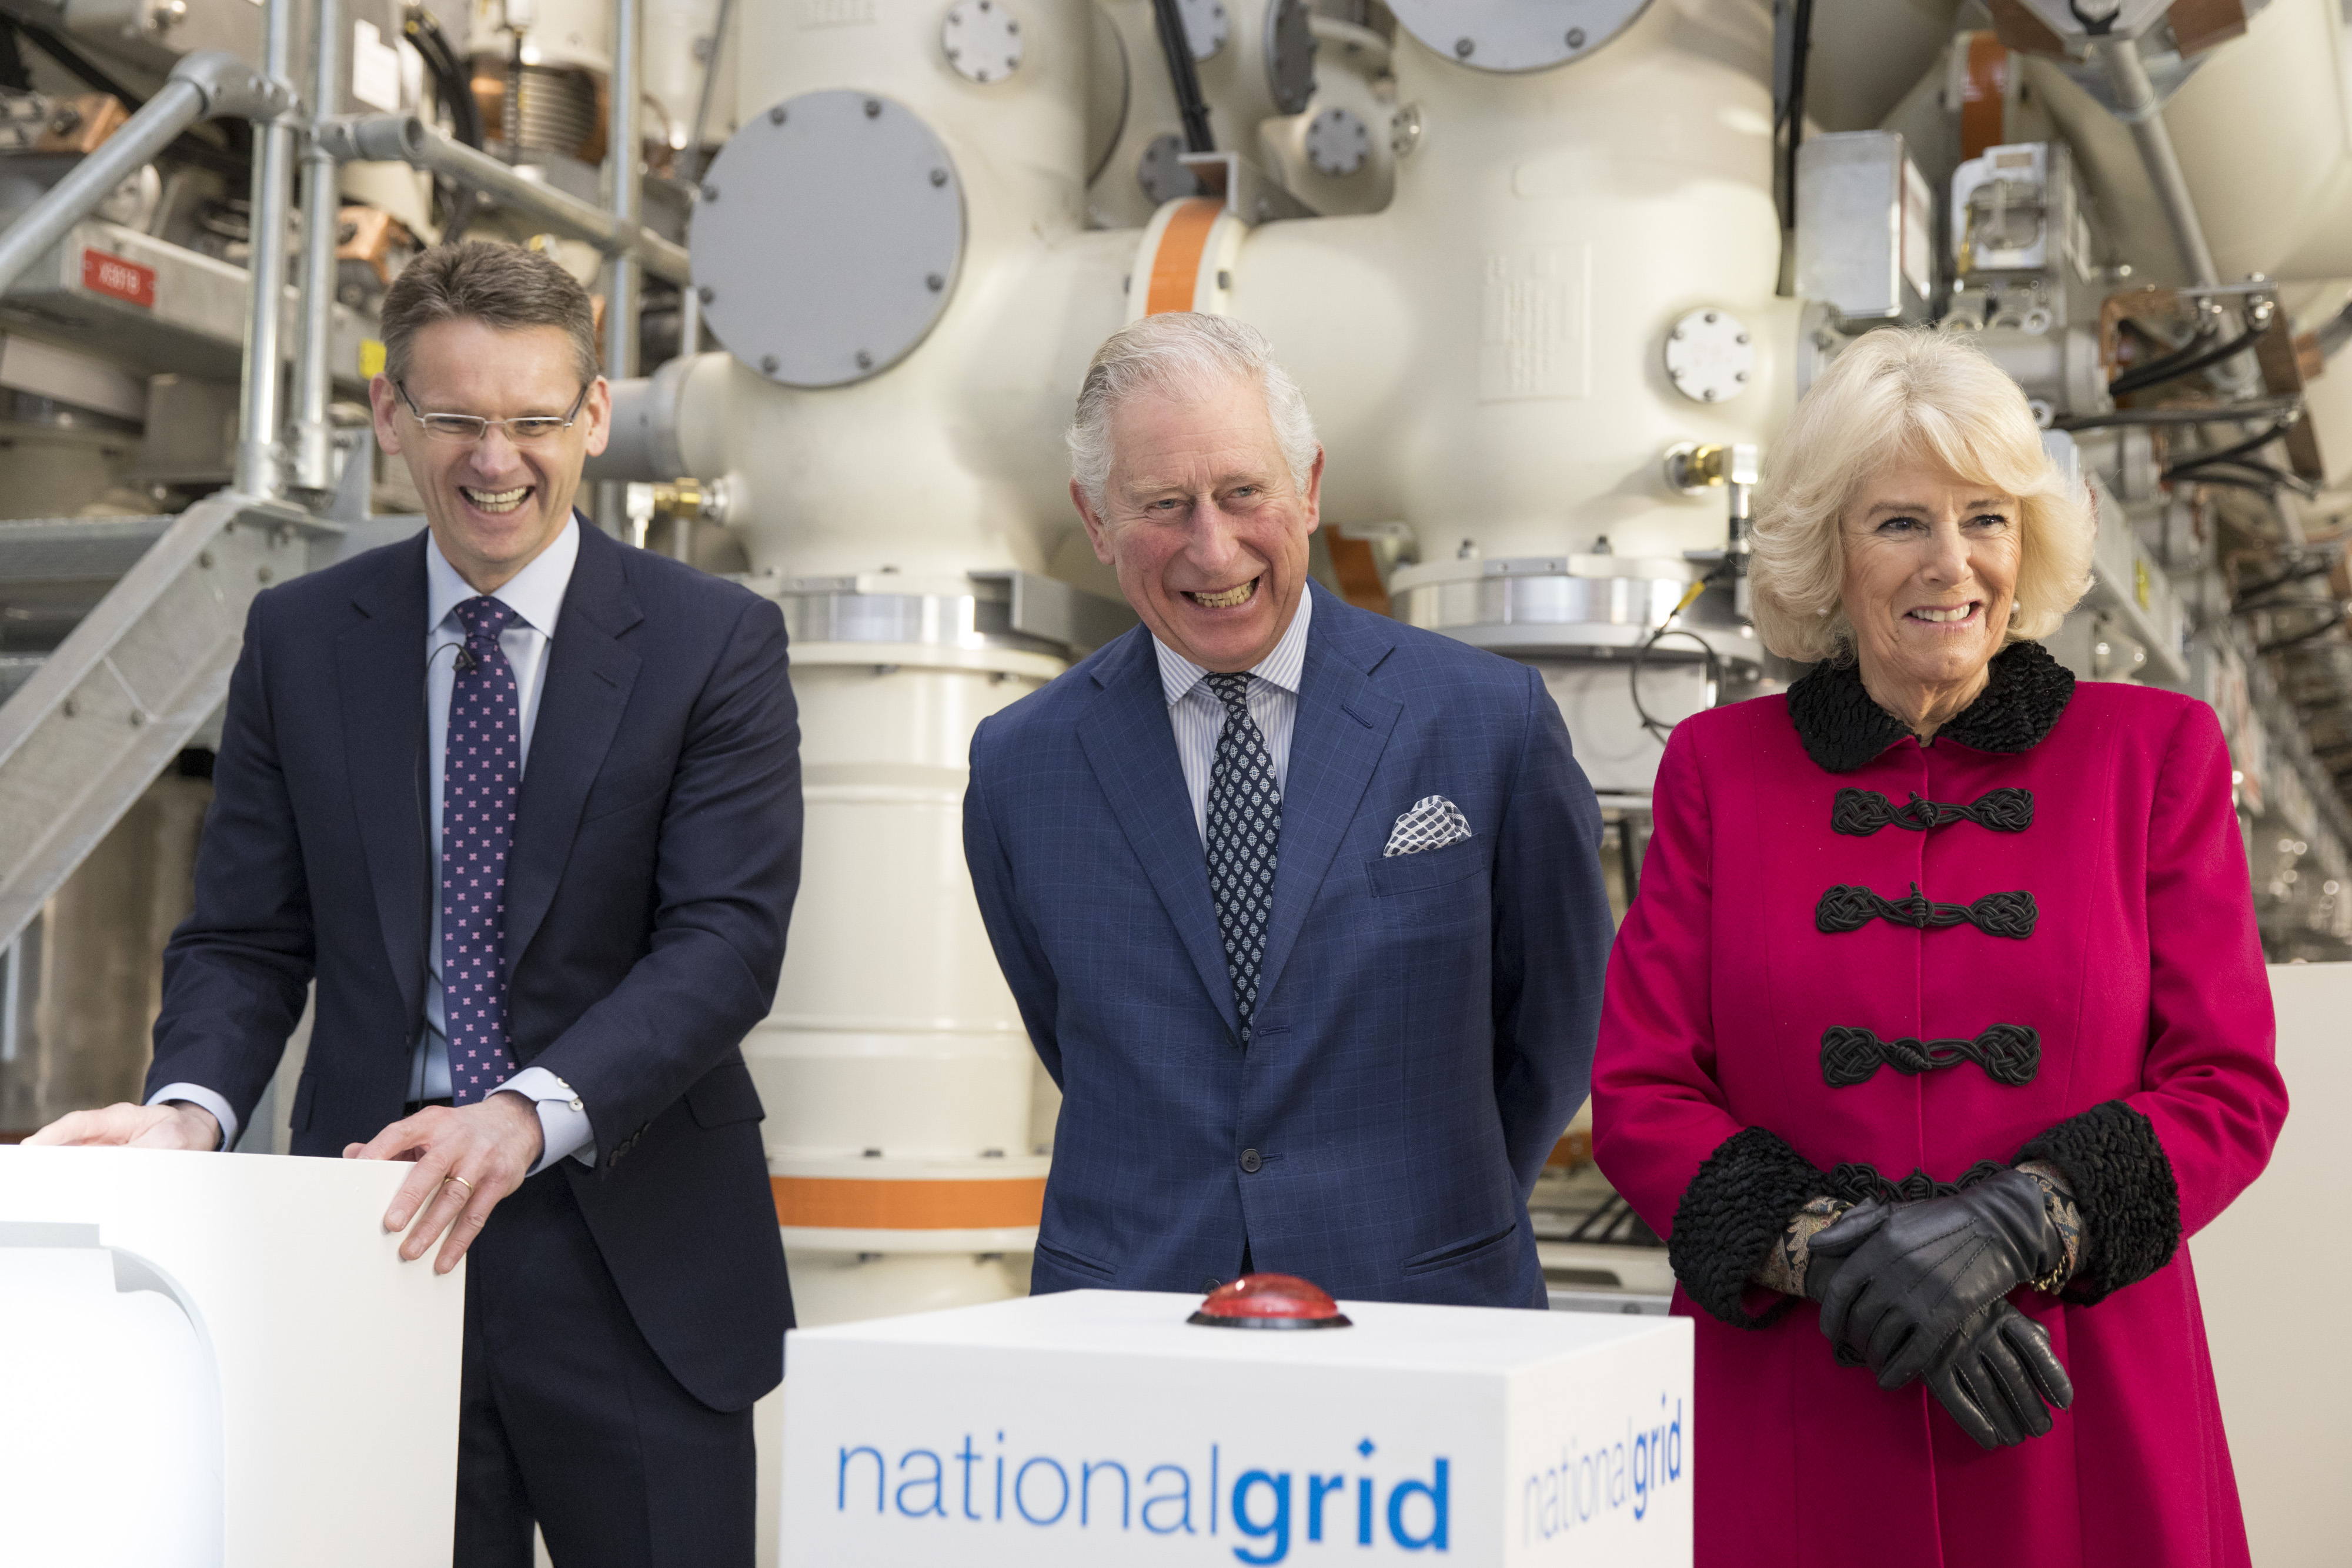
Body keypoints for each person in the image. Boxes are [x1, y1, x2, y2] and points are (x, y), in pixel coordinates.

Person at [29, 241, 800, 1568]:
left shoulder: (711, 640)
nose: (494, 461)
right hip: (371, 1243)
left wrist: (521, 1114)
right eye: (453, 420)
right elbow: (246, 934)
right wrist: (187, 1112)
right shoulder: (299, 636)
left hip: (633, 1253)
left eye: (531, 421)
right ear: (390, 417)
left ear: (595, 417)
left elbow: (724, 942)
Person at [1592, 328, 2287, 1564]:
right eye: (1899, 522)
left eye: (1984, 516)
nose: (1951, 562)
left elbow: (2224, 1082)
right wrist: (1845, 1262)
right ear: (1827, 550)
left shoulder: (2155, 755)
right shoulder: (1716, 770)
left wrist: (2017, 1225)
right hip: (1805, 1399)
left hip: (2075, 1393)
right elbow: (1644, 1093)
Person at [963, 312, 1613, 1307]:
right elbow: (1065, 1031)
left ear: (1307, 489)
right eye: (1164, 505)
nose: (1212, 550)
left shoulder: (1490, 724)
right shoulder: (1020, 766)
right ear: (1094, 521)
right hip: (1137, 1319)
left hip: (1424, 1305)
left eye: (1240, 493)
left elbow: (1559, 1026)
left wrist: (1446, 1206)